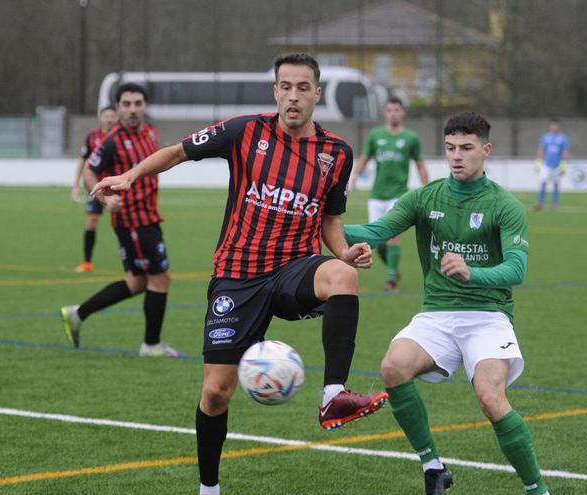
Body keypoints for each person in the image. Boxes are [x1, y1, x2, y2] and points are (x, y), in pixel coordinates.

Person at [92, 53, 389, 495]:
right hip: (237, 276)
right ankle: (208, 488)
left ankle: (333, 396)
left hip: (293, 269)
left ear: (317, 94)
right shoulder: (245, 131)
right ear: (275, 92)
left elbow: (330, 220)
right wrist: (131, 176)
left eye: (302, 88)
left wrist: (346, 251)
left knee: (343, 277)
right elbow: (177, 152)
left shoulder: (336, 154)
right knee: (216, 393)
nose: (293, 96)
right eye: (285, 86)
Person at [344, 112, 550, 495]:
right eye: (451, 148)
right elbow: (377, 231)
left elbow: (516, 269)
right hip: (437, 315)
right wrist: (315, 223)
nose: (457, 156)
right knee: (393, 367)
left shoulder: (504, 205)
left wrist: (473, 272)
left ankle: (537, 489)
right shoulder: (426, 196)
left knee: (490, 398)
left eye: (467, 148)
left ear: (485, 150)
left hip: (488, 317)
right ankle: (433, 466)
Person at [59, 83, 178, 358]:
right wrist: (104, 198)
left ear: (145, 106)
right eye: (126, 104)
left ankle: (78, 313)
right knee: (160, 279)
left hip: (148, 217)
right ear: (118, 108)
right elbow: (90, 170)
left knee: (137, 283)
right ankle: (151, 345)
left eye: (138, 103)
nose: (133, 109)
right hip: (134, 222)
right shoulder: (112, 140)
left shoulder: (150, 132)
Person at [350, 96, 429, 292]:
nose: (393, 113)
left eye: (397, 110)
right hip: (377, 195)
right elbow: (365, 157)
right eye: (390, 110)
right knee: (377, 240)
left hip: (399, 195)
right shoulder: (376, 135)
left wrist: (428, 188)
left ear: (403, 113)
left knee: (394, 237)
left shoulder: (411, 138)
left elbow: (420, 164)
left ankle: (391, 280)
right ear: (386, 113)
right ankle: (393, 269)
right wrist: (355, 174)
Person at [70, 105, 118, 273]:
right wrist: (76, 184)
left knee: (126, 222)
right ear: (100, 118)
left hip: (118, 186)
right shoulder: (92, 137)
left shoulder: (121, 136)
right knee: (91, 222)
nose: (110, 119)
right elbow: (83, 160)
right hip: (96, 185)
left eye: (113, 116)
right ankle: (87, 263)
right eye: (106, 116)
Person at [535, 119, 569, 212]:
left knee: (556, 185)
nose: (554, 127)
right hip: (546, 165)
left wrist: (564, 164)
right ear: (550, 127)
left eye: (556, 125)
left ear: (559, 127)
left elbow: (564, 152)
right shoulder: (546, 137)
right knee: (543, 183)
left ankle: (555, 204)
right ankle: (540, 203)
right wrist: (538, 162)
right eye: (552, 125)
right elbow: (541, 149)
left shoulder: (563, 138)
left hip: (557, 166)